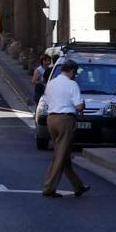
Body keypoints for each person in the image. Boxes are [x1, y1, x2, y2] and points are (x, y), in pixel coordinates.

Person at [41, 59, 90, 198]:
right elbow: (79, 106)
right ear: (72, 71)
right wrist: (83, 104)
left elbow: (46, 100)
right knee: (60, 155)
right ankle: (49, 187)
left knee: (64, 154)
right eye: (75, 73)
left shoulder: (51, 83)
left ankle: (78, 185)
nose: (75, 76)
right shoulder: (72, 84)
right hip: (65, 119)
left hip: (51, 118)